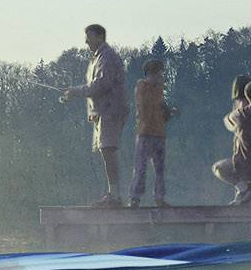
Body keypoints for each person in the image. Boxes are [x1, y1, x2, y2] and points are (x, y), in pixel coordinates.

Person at [60, 23, 128, 207]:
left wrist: (74, 90)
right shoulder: (97, 58)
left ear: (99, 37)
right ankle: (112, 195)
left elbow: (100, 85)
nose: (86, 41)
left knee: (108, 150)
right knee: (105, 151)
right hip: (102, 113)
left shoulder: (107, 57)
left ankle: (114, 196)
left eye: (89, 37)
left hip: (110, 111)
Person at [128, 58, 174, 207]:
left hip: (159, 133)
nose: (161, 77)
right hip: (145, 133)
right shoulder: (142, 87)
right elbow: (144, 108)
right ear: (151, 74)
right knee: (140, 167)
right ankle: (135, 198)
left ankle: (159, 198)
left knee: (160, 169)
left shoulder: (159, 90)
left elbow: (160, 110)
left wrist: (167, 111)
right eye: (159, 74)